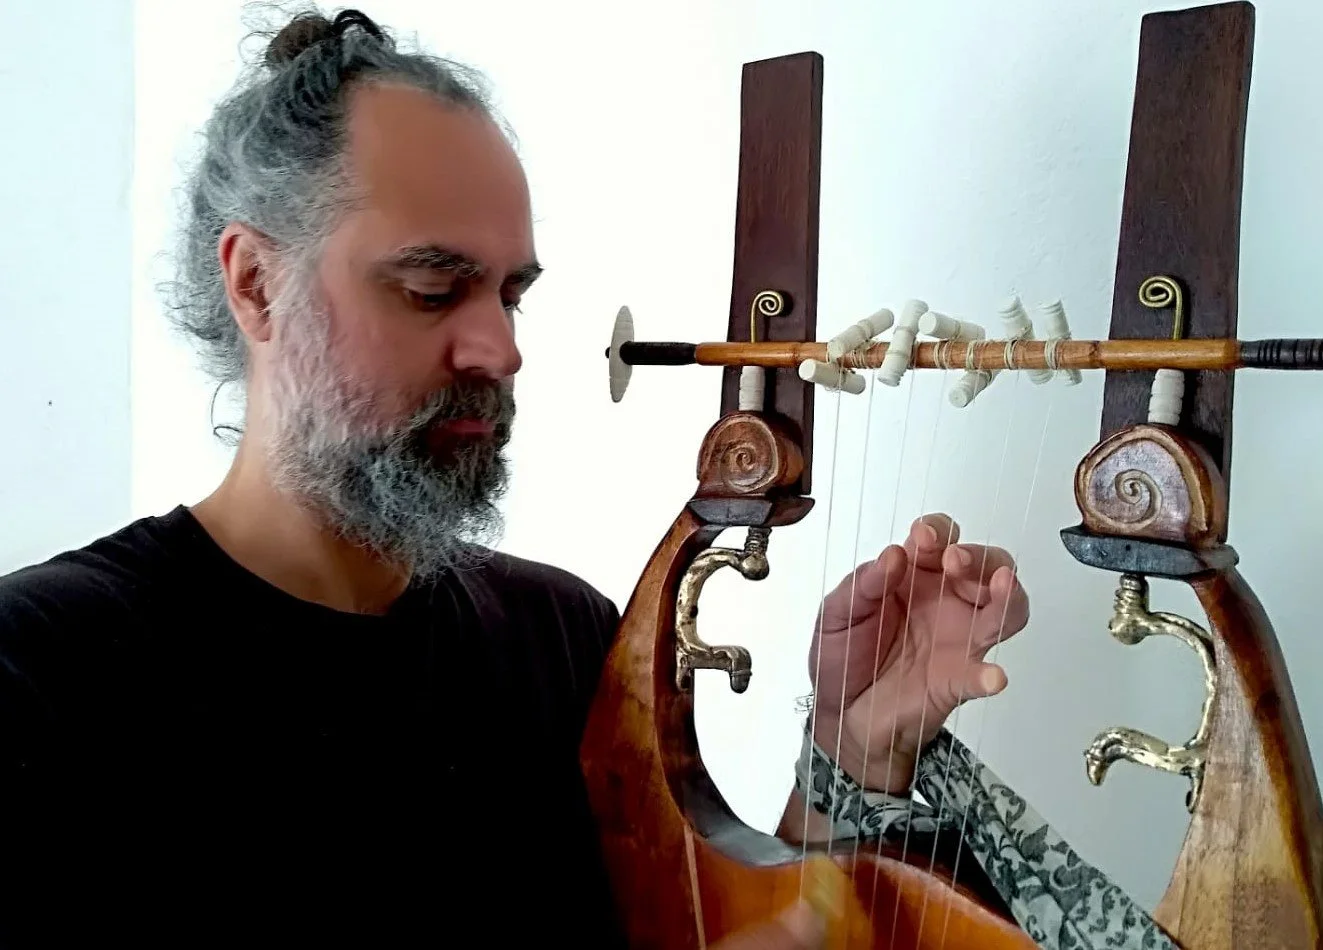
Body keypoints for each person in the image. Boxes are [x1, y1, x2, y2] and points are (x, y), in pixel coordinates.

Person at [0, 8, 1029, 947]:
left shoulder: (566, 640)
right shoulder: (45, 670)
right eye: (434, 288)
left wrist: (855, 747)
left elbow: (712, 927)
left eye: (510, 293)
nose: (498, 347)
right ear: (256, 282)